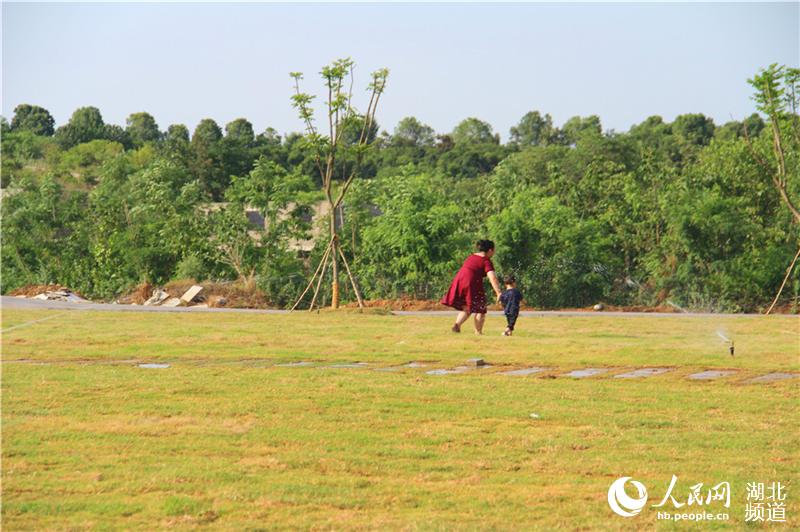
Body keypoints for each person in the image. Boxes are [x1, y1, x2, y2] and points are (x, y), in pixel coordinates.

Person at [441, 239, 503, 335]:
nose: (494, 252)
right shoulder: (486, 261)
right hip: (471, 283)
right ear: (490, 250)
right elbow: (492, 277)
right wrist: (498, 292)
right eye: (494, 250)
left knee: (467, 306)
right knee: (480, 309)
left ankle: (457, 326)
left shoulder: (471, 257)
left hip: (459, 280)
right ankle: (478, 332)